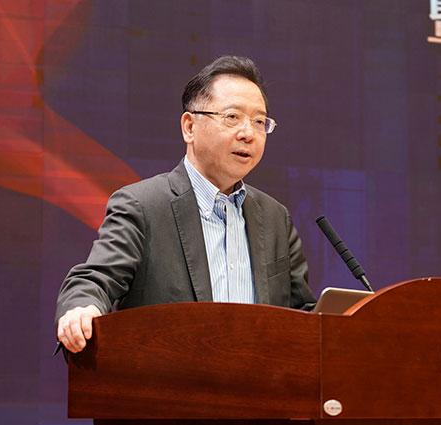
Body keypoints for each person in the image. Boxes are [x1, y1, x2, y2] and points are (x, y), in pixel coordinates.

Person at [55, 55, 316, 354]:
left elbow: (303, 315)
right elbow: (95, 279)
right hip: (169, 379)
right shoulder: (142, 206)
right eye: (232, 117)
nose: (248, 134)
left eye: (259, 122)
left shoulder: (275, 218)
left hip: (259, 381)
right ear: (190, 126)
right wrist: (81, 309)